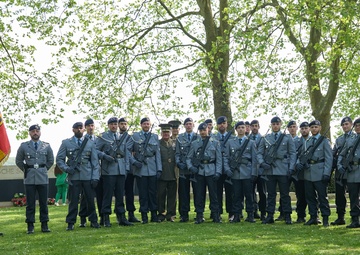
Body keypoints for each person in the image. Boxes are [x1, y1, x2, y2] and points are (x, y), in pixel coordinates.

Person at [56, 122, 100, 230]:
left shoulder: (90, 143)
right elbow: (59, 159)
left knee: (90, 200)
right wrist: (67, 169)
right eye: (77, 128)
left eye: (81, 128)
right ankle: (70, 222)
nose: (79, 130)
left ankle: (93, 220)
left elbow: (95, 162)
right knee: (73, 201)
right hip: (74, 176)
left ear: (84, 129)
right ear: (73, 130)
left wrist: (95, 177)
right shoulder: (66, 143)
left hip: (87, 175)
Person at [16, 124, 54, 234]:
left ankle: (44, 224)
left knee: (43, 202)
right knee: (30, 203)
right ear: (29, 133)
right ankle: (30, 225)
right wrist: (26, 170)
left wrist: (44, 169)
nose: (35, 133)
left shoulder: (46, 146)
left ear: (40, 132)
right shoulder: (24, 146)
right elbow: (18, 161)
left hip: (42, 177)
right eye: (33, 131)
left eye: (37, 131)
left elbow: (50, 160)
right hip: (30, 177)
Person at [257, 117, 296, 225]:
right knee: (271, 194)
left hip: (283, 169)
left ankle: (287, 215)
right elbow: (259, 153)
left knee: (284, 194)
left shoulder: (287, 138)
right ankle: (270, 215)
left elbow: (293, 153)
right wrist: (262, 162)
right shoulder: (266, 138)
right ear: (271, 125)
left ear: (280, 125)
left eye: (277, 124)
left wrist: (291, 167)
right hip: (269, 170)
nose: (275, 126)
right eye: (273, 124)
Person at [96, 117, 133, 227]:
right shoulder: (103, 137)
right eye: (111, 124)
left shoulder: (122, 137)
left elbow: (126, 153)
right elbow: (96, 150)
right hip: (108, 170)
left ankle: (121, 216)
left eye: (115, 124)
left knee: (120, 195)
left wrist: (126, 168)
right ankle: (105, 217)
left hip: (121, 170)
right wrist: (104, 156)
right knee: (107, 195)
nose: (114, 126)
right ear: (108, 125)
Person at [297, 120, 332, 227]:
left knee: (322, 197)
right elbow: (301, 155)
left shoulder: (324, 141)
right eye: (312, 127)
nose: (314, 129)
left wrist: (326, 173)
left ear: (320, 128)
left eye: (316, 127)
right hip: (308, 173)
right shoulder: (307, 141)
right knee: (310, 197)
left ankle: (325, 218)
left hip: (320, 172)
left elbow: (329, 158)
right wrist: (299, 163)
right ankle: (313, 217)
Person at [186, 122, 222, 224]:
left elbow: (219, 159)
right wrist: (191, 167)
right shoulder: (195, 143)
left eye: (204, 130)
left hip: (211, 171)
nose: (202, 132)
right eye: (201, 130)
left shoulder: (215, 142)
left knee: (214, 195)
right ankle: (199, 215)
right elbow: (188, 158)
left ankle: (216, 215)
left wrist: (218, 172)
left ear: (208, 130)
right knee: (199, 195)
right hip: (199, 172)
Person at [130, 117, 162, 224]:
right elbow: (127, 150)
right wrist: (134, 162)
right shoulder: (135, 136)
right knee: (143, 193)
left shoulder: (154, 136)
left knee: (153, 193)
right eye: (144, 124)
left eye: (148, 124)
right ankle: (144, 215)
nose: (146, 125)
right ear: (141, 125)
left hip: (152, 168)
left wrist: (159, 169)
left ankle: (154, 214)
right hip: (140, 169)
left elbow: (157, 153)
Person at [224, 121, 257, 223]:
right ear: (236, 129)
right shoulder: (230, 142)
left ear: (245, 129)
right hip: (235, 173)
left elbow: (255, 159)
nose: (241, 129)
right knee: (236, 195)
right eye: (239, 127)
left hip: (247, 172)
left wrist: (254, 173)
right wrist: (227, 169)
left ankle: (250, 215)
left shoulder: (251, 142)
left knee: (249, 195)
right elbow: (226, 157)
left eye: (243, 127)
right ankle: (237, 215)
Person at [78, 118, 103, 227]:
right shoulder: (81, 140)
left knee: (100, 194)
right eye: (88, 126)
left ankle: (102, 217)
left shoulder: (99, 139)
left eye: (92, 125)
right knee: (85, 196)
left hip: (99, 169)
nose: (90, 128)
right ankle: (83, 218)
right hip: (86, 170)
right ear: (85, 128)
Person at [331, 117, 354, 226]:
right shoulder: (339, 139)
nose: (345, 126)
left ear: (351, 124)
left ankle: (356, 218)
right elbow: (334, 153)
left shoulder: (356, 138)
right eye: (343, 125)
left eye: (347, 124)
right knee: (339, 195)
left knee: (354, 195)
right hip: (340, 171)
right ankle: (341, 217)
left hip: (352, 171)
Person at [338, 117, 360, 228]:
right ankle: (355, 219)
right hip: (352, 172)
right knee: (353, 197)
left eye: (359, 125)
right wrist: (340, 165)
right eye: (356, 126)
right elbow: (341, 154)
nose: (357, 127)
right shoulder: (350, 140)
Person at [175, 117, 198, 222]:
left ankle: (199, 212)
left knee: (198, 192)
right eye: (187, 124)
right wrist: (178, 163)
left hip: (195, 169)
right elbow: (177, 153)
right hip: (184, 169)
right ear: (184, 126)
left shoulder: (198, 137)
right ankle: (184, 214)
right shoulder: (180, 138)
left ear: (193, 125)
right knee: (183, 192)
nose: (188, 125)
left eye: (190, 123)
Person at [120, 117, 141, 223]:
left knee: (130, 192)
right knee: (119, 193)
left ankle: (131, 214)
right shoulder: (115, 137)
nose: (123, 125)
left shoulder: (131, 138)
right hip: (118, 169)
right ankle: (120, 214)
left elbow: (133, 151)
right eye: (121, 124)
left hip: (130, 169)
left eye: (125, 124)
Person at [214, 116, 234, 221]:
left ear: (226, 125)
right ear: (217, 125)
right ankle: (218, 213)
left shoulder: (232, 138)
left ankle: (231, 213)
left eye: (224, 123)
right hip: (216, 169)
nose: (222, 125)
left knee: (230, 191)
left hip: (228, 168)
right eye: (220, 123)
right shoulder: (213, 138)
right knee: (217, 192)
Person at [157, 123, 177, 222]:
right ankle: (161, 213)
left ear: (170, 132)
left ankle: (171, 214)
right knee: (161, 195)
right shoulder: (158, 143)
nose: (166, 134)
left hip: (173, 172)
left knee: (172, 195)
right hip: (162, 172)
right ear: (161, 133)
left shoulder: (174, 143)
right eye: (164, 132)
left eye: (167, 132)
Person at [249, 120, 267, 221]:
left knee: (262, 192)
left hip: (261, 170)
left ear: (259, 127)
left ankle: (263, 212)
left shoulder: (264, 139)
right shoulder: (247, 139)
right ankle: (253, 211)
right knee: (251, 192)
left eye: (256, 126)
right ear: (250, 127)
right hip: (251, 170)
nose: (254, 128)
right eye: (253, 126)